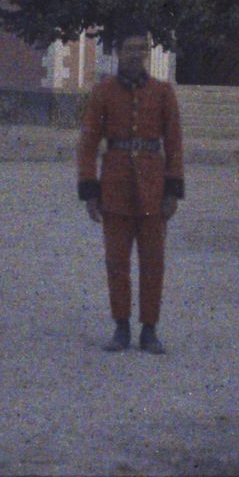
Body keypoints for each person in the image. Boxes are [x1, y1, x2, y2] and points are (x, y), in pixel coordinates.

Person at [78, 40, 185, 355]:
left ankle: (149, 330)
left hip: (153, 190)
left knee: (153, 263)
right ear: (117, 53)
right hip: (115, 189)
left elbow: (175, 143)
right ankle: (121, 327)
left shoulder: (164, 92)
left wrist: (172, 190)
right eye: (128, 49)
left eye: (142, 49)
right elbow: (88, 143)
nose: (136, 55)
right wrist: (90, 189)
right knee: (117, 263)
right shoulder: (104, 92)